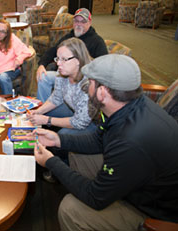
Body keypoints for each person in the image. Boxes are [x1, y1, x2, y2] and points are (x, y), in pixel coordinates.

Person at [33, 54, 178, 230]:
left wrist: (50, 162)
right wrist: (58, 140)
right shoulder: (130, 105)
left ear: (102, 92)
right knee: (77, 156)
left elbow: (95, 197)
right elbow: (98, 140)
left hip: (153, 211)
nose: (87, 88)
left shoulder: (130, 140)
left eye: (90, 83)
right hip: (137, 180)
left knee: (70, 208)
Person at [27, 37, 96, 136]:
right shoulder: (62, 72)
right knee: (43, 114)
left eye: (64, 59)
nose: (58, 63)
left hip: (93, 123)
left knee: (62, 135)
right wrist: (38, 111)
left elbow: (80, 122)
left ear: (78, 60)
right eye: (58, 58)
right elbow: (56, 97)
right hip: (76, 110)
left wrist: (47, 120)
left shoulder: (89, 84)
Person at [36, 8, 108, 102]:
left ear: (89, 23)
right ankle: (42, 108)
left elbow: (103, 66)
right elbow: (52, 51)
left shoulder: (97, 41)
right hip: (63, 76)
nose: (79, 24)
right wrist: (42, 65)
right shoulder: (68, 37)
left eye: (83, 21)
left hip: (81, 81)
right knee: (43, 77)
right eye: (76, 21)